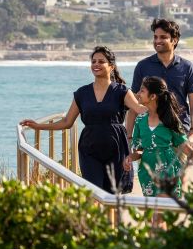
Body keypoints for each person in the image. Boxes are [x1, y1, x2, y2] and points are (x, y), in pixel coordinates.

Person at [20, 46, 148, 193]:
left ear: (111, 66)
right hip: (89, 148)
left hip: (116, 147)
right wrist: (38, 126)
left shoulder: (122, 91)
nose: (96, 64)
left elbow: (140, 109)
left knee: (114, 193)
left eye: (101, 61)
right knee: (93, 192)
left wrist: (164, 109)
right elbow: (67, 122)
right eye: (93, 61)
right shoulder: (82, 93)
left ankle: (110, 217)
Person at [123, 76, 193, 200]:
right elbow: (140, 150)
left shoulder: (170, 120)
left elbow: (186, 148)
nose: (138, 94)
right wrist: (130, 158)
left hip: (168, 171)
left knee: (159, 213)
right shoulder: (140, 120)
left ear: (153, 96)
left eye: (142, 90)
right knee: (154, 215)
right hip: (147, 173)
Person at [129, 18, 193, 143]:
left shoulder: (187, 67)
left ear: (174, 40)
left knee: (180, 163)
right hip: (150, 134)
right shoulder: (143, 66)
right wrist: (129, 137)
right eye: (155, 37)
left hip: (179, 133)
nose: (157, 41)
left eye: (163, 37)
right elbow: (134, 104)